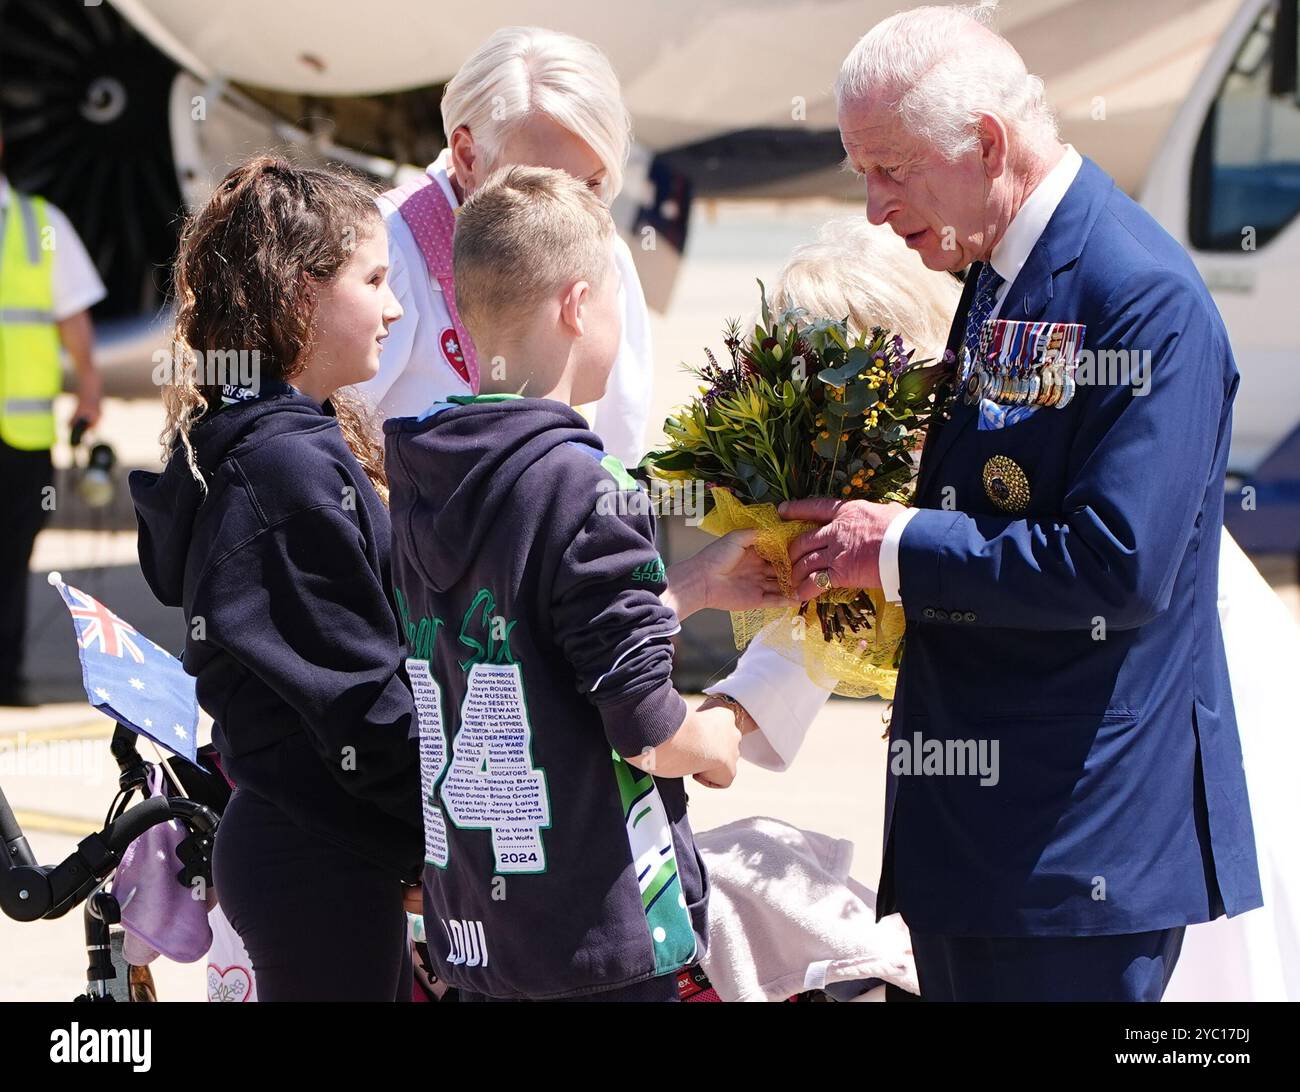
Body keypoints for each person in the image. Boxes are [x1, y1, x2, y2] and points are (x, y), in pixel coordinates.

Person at [774, 4, 1261, 1001]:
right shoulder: (1005, 266)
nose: (872, 206)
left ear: (987, 144)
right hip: (986, 853)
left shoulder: (1140, 295)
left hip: (1074, 859)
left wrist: (898, 545)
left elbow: (1117, 564)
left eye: (891, 170)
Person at [711, 215, 1299, 1000]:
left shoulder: (1015, 420)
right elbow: (824, 619)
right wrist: (702, 714)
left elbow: (1073, 566)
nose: (825, 416)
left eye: (842, 376)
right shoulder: (882, 469)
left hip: (1182, 710)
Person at [384, 165, 786, 1001]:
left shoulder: (427, 478)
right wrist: (716, 739)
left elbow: (523, 639)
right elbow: (646, 729)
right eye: (613, 299)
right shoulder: (585, 483)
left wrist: (691, 586)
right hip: (592, 939)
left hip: (480, 932)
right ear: (575, 306)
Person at [130, 156, 421, 1001]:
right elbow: (357, 702)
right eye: (373, 278)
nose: (394, 306)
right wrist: (440, 838)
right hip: (319, 854)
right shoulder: (284, 470)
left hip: (322, 842)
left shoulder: (278, 444)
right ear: (300, 294)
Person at [350, 26, 652, 467]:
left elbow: (621, 442)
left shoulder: (603, 252)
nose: (572, 211)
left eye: (590, 185)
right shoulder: (383, 249)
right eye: (541, 183)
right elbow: (332, 432)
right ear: (468, 155)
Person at [0, 116, 106, 706]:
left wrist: (89, 389)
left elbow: (73, 315)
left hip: (19, 430)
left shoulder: (39, 226)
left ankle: (4, 674)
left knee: (10, 556)